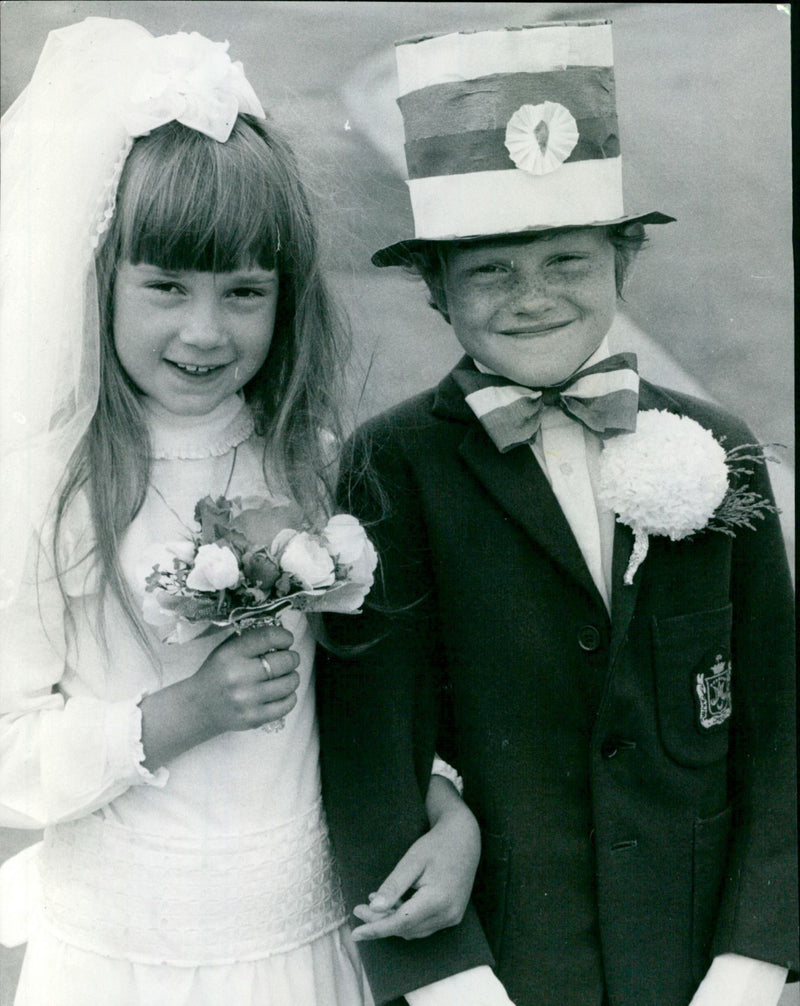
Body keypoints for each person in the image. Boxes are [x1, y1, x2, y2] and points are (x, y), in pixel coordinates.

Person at [0, 18, 483, 1005]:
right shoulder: (50, 486)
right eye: (165, 286)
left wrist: (444, 799)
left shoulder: (310, 461)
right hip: (124, 954)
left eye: (243, 290)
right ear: (104, 284)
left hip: (299, 942)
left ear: (285, 296)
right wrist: (178, 714)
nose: (203, 329)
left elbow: (368, 693)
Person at [317, 20, 797, 1006]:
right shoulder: (389, 467)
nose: (532, 298)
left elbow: (779, 733)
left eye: (567, 262)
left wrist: (749, 966)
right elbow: (369, 756)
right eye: (490, 268)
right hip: (500, 974)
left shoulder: (717, 447)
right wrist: (451, 985)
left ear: (623, 262)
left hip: (699, 971)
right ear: (434, 289)